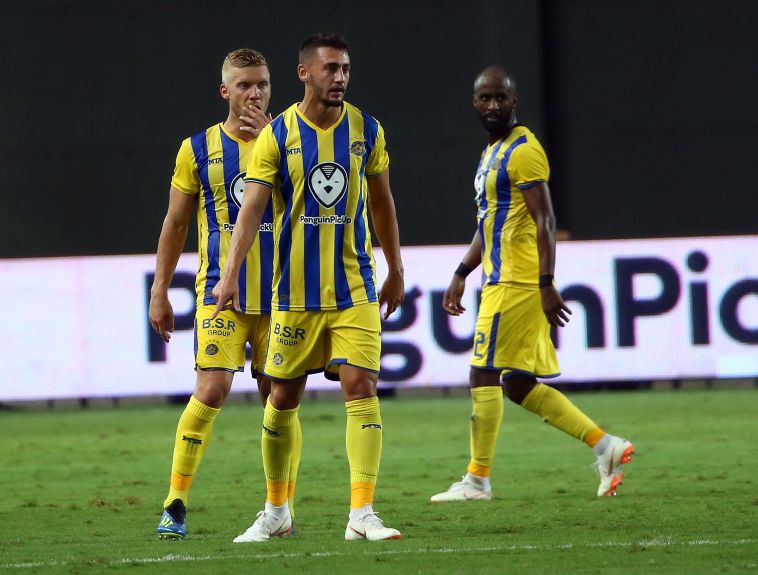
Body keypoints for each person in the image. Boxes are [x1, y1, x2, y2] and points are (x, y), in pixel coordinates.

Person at [212, 33, 405, 542]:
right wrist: (230, 274)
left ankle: (362, 513)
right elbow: (251, 210)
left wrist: (396, 267)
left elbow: (382, 203)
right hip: (295, 294)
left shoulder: (367, 129)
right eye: (330, 69)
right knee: (281, 398)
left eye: (345, 69)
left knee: (361, 386)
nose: (339, 78)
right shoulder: (277, 135)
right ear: (304, 73)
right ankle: (277, 511)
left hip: (354, 288)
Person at [431, 66, 634, 503]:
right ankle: (606, 446)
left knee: (482, 372)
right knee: (517, 383)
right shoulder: (492, 152)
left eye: (500, 98)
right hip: (502, 278)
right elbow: (489, 224)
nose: (492, 105)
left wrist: (546, 282)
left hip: (516, 281)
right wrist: (462, 272)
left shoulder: (523, 150)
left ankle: (477, 481)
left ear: (514, 101)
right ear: (474, 102)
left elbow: (546, 220)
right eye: (485, 98)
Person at [149, 48, 301, 540]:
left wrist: (275, 146)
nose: (255, 94)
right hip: (222, 294)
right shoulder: (196, 149)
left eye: (262, 84)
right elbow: (175, 222)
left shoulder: (291, 141)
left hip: (281, 295)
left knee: (278, 400)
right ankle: (175, 504)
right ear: (225, 91)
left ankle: (279, 509)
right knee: (211, 389)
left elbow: (315, 205)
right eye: (244, 85)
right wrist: (159, 290)